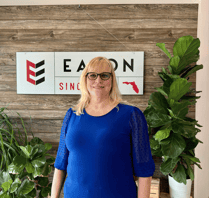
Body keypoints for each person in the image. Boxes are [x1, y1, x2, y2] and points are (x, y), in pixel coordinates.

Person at [51, 56, 155, 198]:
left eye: (104, 75)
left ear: (112, 80)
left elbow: (144, 169)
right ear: (85, 79)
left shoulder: (131, 115)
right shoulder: (72, 115)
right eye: (92, 75)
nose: (98, 80)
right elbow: (60, 164)